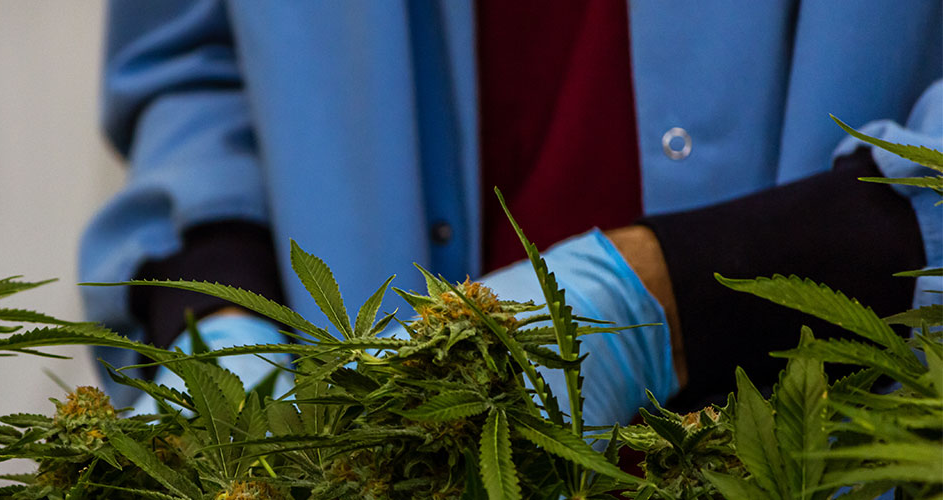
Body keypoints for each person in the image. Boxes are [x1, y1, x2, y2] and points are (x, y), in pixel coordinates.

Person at [80, 1, 942, 422]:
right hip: (369, 435)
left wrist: (680, 293)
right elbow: (195, 65)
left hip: (853, 418)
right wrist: (214, 316)